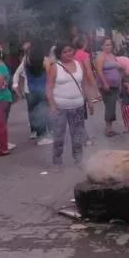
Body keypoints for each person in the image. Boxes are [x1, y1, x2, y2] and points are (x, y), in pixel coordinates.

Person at [46, 41, 97, 170]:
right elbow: (49, 88)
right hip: (60, 107)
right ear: (59, 54)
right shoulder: (55, 67)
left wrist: (89, 101)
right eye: (65, 52)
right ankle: (57, 162)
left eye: (70, 50)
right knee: (59, 136)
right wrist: (52, 105)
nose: (68, 53)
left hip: (78, 106)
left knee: (78, 135)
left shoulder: (79, 65)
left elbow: (83, 84)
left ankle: (78, 159)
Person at [20, 43, 53, 145]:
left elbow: (23, 73)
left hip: (31, 91)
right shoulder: (46, 60)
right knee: (46, 112)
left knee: (36, 114)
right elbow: (49, 76)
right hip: (43, 90)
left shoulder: (26, 60)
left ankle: (41, 135)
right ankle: (51, 134)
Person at [95, 38, 124, 137]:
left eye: (110, 45)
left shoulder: (112, 55)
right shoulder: (100, 56)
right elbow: (99, 71)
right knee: (110, 106)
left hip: (114, 85)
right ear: (102, 46)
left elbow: (118, 69)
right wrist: (105, 83)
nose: (109, 47)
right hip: (106, 86)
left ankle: (109, 128)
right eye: (106, 45)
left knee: (111, 106)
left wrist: (119, 83)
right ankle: (108, 129)